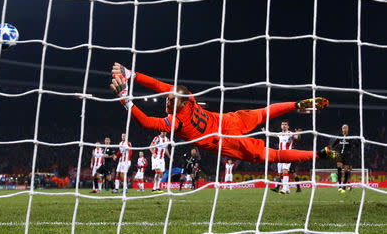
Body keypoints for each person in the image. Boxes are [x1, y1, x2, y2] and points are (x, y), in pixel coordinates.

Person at [109, 63, 340, 165]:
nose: (166, 100)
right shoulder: (186, 97)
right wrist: (132, 74)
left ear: (174, 107)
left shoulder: (177, 122)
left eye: (169, 101)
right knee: (264, 112)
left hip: (227, 141)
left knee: (274, 156)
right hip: (230, 119)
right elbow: (160, 85)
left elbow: (146, 122)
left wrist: (125, 98)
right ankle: (296, 104)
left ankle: (318, 155)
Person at [270, 120, 300, 194]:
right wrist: (264, 131)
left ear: (288, 126)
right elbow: (271, 134)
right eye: (282, 124)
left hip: (288, 155)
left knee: (285, 170)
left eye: (285, 124)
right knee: (280, 174)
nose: (284, 125)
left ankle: (283, 189)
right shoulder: (279, 134)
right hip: (279, 155)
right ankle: (287, 189)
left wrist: (298, 133)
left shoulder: (290, 133)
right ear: (281, 126)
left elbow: (296, 137)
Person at [331, 124, 354, 193]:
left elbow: (353, 146)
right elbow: (333, 145)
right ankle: (340, 185)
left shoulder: (350, 138)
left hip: (347, 156)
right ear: (342, 129)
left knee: (346, 171)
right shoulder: (339, 137)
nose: (345, 129)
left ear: (348, 129)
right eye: (343, 128)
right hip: (340, 155)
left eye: (346, 128)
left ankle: (344, 186)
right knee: (339, 168)